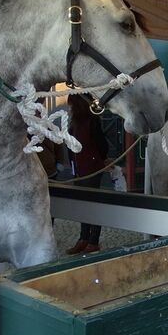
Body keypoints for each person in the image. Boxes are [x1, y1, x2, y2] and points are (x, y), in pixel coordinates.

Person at [65, 94, 109, 254]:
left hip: (91, 169)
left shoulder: (91, 121)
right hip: (79, 169)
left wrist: (98, 160)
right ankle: (83, 238)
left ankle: (93, 241)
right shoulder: (74, 122)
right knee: (83, 205)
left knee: (93, 205)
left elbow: (102, 145)